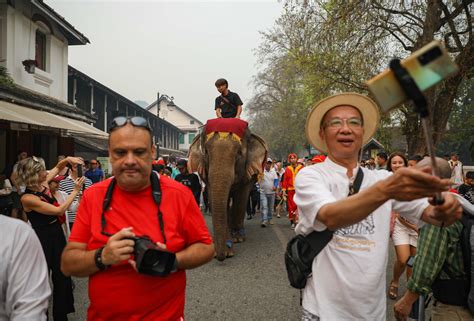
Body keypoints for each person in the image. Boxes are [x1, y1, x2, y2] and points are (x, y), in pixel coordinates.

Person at [294, 92, 461, 320]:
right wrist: (386, 190)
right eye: (336, 123)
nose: (346, 129)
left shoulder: (381, 179)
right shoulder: (310, 176)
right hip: (323, 311)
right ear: (323, 134)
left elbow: (431, 214)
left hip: (372, 313)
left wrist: (445, 207)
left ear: (363, 134)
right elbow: (329, 216)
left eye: (354, 123)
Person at [61, 116, 214, 320]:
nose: (130, 160)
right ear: (110, 154)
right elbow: (67, 264)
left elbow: (206, 247)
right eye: (120, 152)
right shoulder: (93, 196)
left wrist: (171, 261)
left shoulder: (180, 195)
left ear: (152, 152)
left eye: (139, 152)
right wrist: (102, 256)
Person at [394, 157, 473, 321]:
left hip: (452, 307)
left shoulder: (440, 211)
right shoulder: (461, 203)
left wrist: (408, 300)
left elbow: (428, 261)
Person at [16, 155, 85, 321]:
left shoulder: (43, 183)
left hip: (56, 233)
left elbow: (58, 166)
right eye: (41, 171)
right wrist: (75, 191)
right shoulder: (28, 198)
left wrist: (69, 159)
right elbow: (59, 210)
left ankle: (61, 315)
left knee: (62, 276)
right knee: (41, 280)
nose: (45, 172)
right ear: (34, 174)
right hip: (41, 238)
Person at [0, 215, 51, 320]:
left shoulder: (17, 233)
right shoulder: (27, 199)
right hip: (44, 237)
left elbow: (29, 310)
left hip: (51, 237)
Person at [386, 152, 418, 300]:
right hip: (402, 225)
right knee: (403, 259)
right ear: (390, 165)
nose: (397, 165)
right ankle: (395, 281)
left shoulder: (417, 181)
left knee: (413, 260)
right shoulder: (387, 181)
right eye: (394, 162)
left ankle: (409, 290)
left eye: (400, 162)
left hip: (419, 227)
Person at [59, 163, 93, 232]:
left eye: (84, 166)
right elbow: (61, 201)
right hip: (69, 220)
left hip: (85, 219)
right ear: (74, 168)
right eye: (81, 166)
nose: (84, 168)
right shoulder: (62, 182)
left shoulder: (89, 182)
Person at [282, 153, 303, 229]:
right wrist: (284, 191)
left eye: (294, 158)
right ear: (289, 160)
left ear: (296, 159)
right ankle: (292, 222)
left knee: (299, 206)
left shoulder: (301, 168)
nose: (292, 159)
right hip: (290, 190)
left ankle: (299, 221)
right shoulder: (287, 169)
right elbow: (285, 180)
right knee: (291, 206)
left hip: (299, 190)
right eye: (291, 158)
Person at [259, 158, 279, 227]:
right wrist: (260, 176)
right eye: (267, 163)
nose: (268, 164)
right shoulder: (261, 171)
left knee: (270, 208)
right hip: (263, 192)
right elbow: (258, 180)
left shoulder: (273, 172)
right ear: (264, 164)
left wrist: (275, 186)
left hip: (271, 193)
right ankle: (264, 220)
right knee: (264, 207)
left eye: (269, 163)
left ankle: (270, 218)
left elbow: (276, 180)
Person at [9, 150, 28, 220]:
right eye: (23, 155)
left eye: (26, 155)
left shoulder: (24, 166)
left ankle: (25, 227)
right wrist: (18, 189)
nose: (25, 157)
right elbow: (12, 178)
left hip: (24, 190)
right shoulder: (17, 166)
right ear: (19, 156)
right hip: (18, 191)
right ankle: (13, 226)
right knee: (16, 208)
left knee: (24, 209)